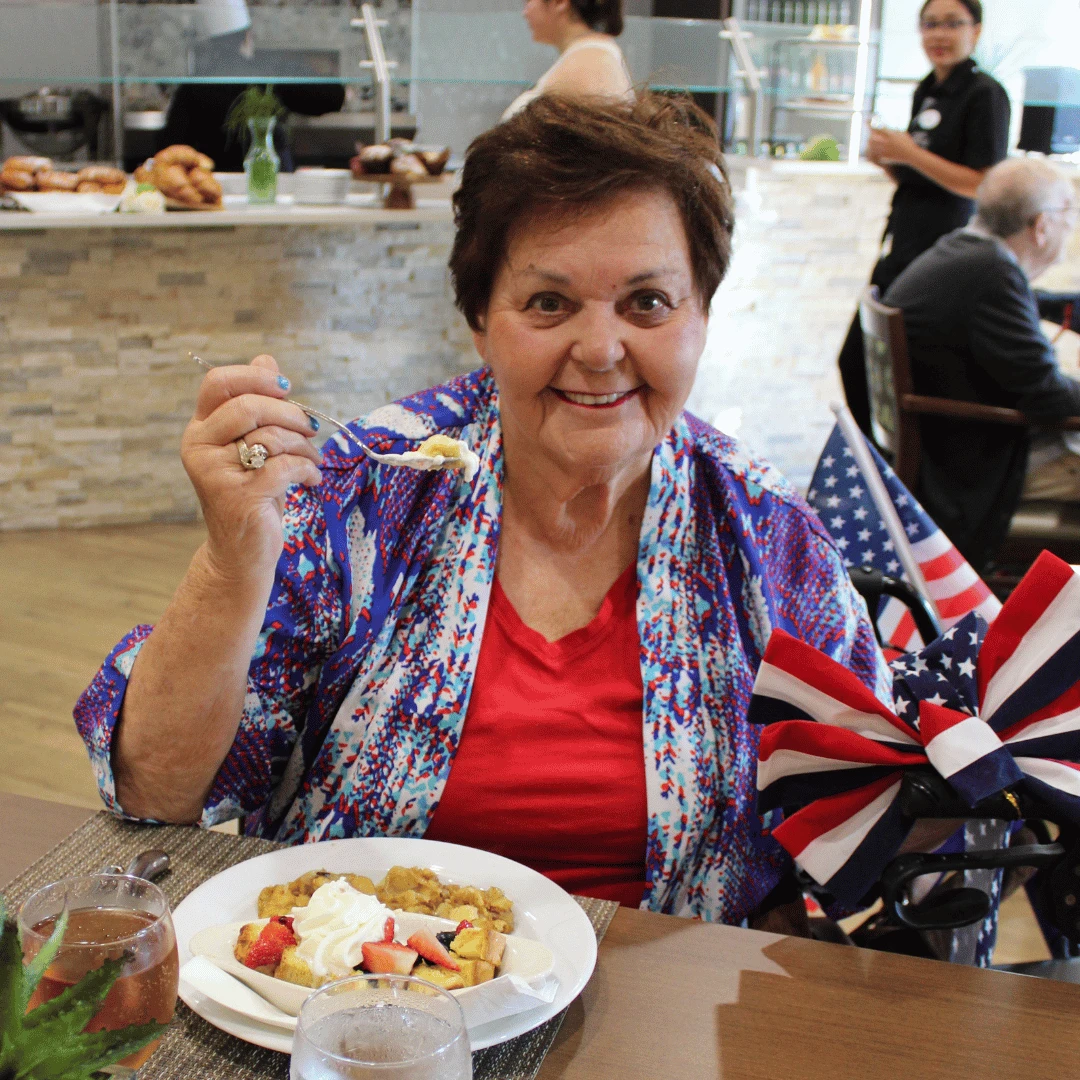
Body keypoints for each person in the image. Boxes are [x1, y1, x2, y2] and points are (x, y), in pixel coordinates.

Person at [74, 94, 889, 928]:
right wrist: (231, 557)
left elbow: (862, 821)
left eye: (648, 302)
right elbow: (154, 793)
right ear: (479, 322)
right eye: (548, 303)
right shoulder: (367, 491)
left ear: (703, 318)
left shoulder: (767, 534)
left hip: (666, 1011)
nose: (601, 350)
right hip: (361, 1001)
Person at [883, 159, 1080, 571]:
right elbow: (1051, 399)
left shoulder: (961, 250)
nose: (1073, 225)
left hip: (951, 449)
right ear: (1041, 225)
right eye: (1070, 212)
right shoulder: (992, 275)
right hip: (975, 468)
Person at [838, 0, 1010, 436]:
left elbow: (982, 183)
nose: (940, 34)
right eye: (930, 24)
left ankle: (894, 465)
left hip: (944, 246)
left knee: (883, 358)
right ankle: (883, 461)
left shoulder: (985, 93)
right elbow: (923, 178)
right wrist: (889, 161)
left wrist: (910, 152)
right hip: (905, 240)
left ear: (976, 30)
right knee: (863, 356)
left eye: (953, 24)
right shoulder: (927, 89)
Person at [161, 0, 345, 171]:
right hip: (268, 178)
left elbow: (169, 147)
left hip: (214, 181)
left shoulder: (193, 86)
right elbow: (333, 97)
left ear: (211, 44)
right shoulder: (269, 74)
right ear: (247, 37)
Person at [502, 0, 632, 120]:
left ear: (560, 2)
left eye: (529, 0)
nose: (525, 12)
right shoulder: (590, 57)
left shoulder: (587, 66)